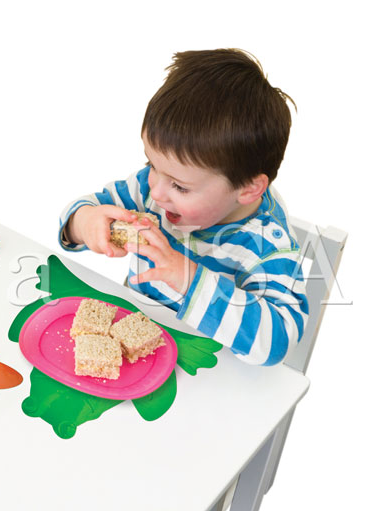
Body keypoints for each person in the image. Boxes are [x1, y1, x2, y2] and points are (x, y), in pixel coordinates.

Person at [59, 49, 308, 366]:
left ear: (248, 189)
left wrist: (188, 278)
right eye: (151, 164)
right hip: (138, 351)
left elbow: (275, 343)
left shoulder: (269, 247)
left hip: (210, 372)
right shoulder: (151, 188)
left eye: (180, 186)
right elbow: (83, 210)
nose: (157, 193)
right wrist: (86, 222)